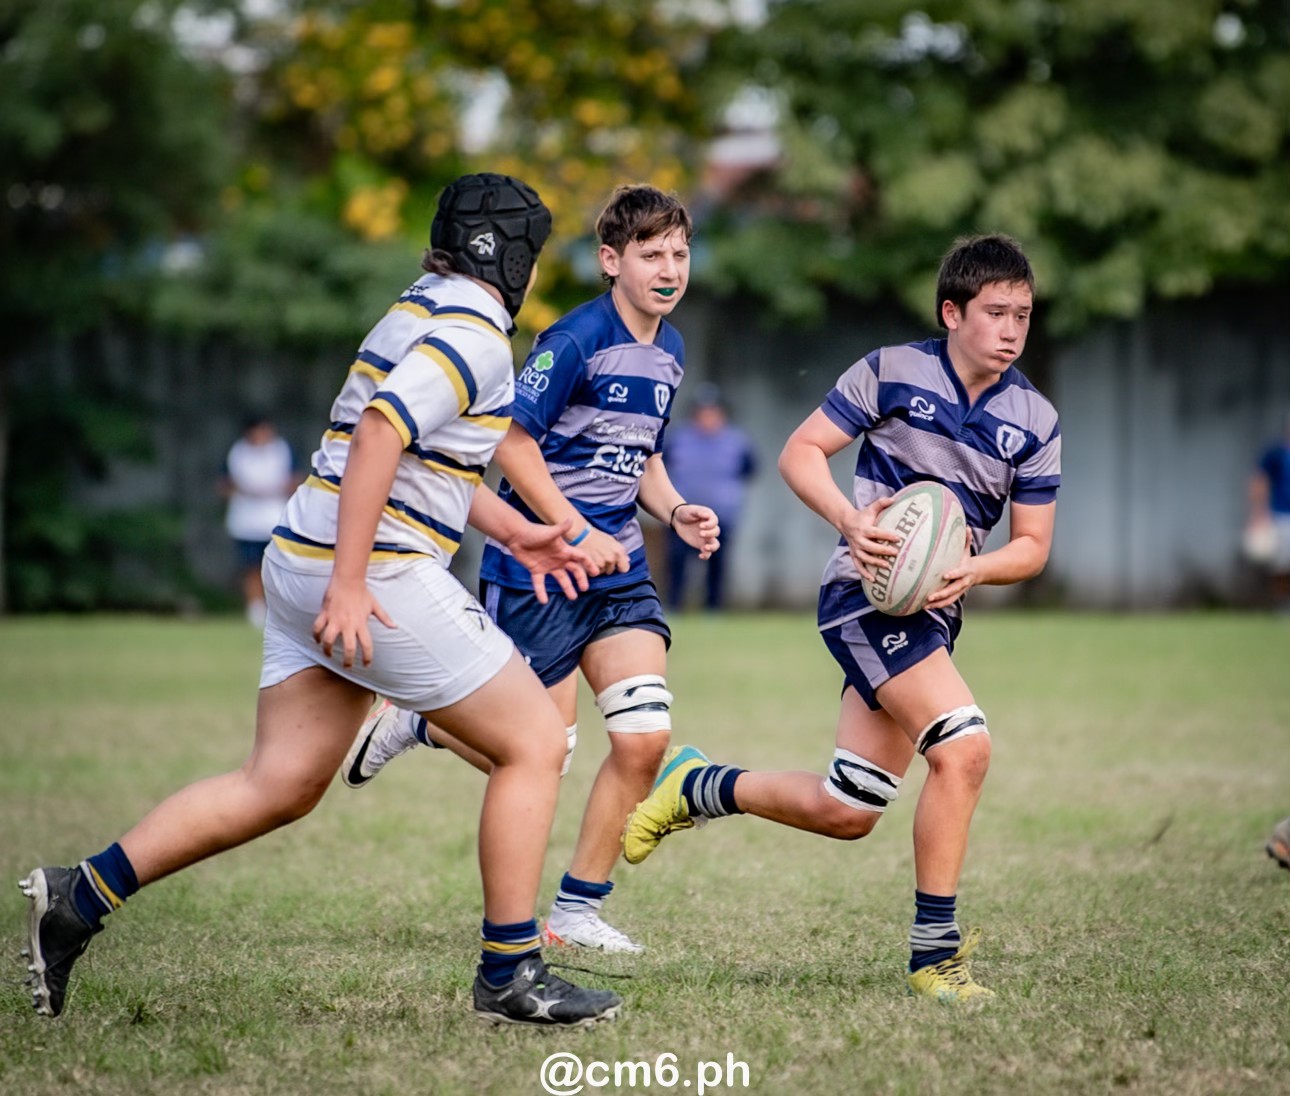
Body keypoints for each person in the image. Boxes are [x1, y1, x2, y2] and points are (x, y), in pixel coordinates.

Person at [19, 172, 625, 1028]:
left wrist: (513, 530)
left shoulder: (418, 303)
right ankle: (510, 973)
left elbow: (421, 458)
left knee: (279, 783)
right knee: (534, 740)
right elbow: (380, 430)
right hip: (364, 572)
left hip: (298, 559)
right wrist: (349, 582)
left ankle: (79, 897)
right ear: (512, 252)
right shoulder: (481, 328)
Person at [622, 234, 1061, 1003]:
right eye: (995, 311)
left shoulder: (1035, 419)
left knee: (850, 808)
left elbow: (1031, 547)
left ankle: (699, 784)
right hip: (864, 595)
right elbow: (801, 453)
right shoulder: (891, 369)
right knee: (964, 749)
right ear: (952, 311)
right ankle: (936, 957)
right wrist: (851, 523)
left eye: (1023, 313)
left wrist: (973, 568)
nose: (1012, 328)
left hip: (936, 612)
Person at [341, 184, 720, 955]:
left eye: (680, 253)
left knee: (646, 738)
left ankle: (577, 910)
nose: (670, 269)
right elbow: (509, 441)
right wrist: (571, 528)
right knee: (545, 752)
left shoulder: (672, 352)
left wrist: (675, 509)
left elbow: (638, 451)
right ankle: (423, 719)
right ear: (611, 262)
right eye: (652, 255)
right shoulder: (574, 338)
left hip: (616, 568)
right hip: (540, 568)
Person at [663, 383, 757, 611]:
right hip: (682, 512)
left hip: (722, 513)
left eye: (713, 412)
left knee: (717, 563)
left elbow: (749, 469)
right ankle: (674, 606)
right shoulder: (678, 438)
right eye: (703, 412)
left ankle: (713, 609)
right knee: (676, 562)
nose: (708, 417)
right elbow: (661, 469)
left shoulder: (737, 441)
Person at [220, 416, 299, 627]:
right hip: (246, 519)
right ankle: (255, 610)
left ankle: (280, 610)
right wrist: (247, 491)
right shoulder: (237, 453)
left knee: (279, 568)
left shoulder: (282, 450)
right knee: (251, 567)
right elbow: (224, 484)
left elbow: (295, 479)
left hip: (275, 517)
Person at [1244, 412, 1290, 612]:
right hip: (1281, 516)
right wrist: (1258, 513)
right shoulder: (1275, 454)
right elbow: (1259, 481)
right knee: (1281, 565)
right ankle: (1283, 604)